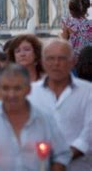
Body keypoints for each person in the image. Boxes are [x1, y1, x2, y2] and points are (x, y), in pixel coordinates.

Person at [0, 64, 70, 170]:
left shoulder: (44, 119)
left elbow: (61, 155)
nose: (11, 95)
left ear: (28, 89)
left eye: (17, 88)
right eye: (6, 88)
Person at [29, 39, 92, 171]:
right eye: (50, 58)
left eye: (62, 58)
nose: (56, 63)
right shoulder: (30, 93)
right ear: (42, 62)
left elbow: (88, 133)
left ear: (73, 62)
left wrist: (62, 159)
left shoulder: (88, 92)